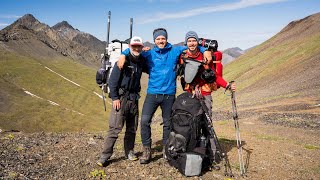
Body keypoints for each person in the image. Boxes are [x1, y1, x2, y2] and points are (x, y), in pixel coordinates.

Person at [118, 28, 212, 164]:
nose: (161, 41)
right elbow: (134, 51)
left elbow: (193, 46)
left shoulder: (175, 50)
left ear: (166, 39)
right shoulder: (148, 53)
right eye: (158, 39)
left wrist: (206, 51)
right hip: (152, 93)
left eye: (163, 38)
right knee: (144, 121)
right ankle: (147, 150)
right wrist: (123, 54)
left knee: (168, 123)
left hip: (169, 95)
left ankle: (166, 150)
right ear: (154, 40)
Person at [97, 36, 146, 167]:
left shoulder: (141, 60)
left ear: (141, 47)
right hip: (121, 98)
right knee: (114, 129)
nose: (136, 48)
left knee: (132, 129)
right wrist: (114, 98)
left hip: (134, 99)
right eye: (134, 46)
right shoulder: (123, 60)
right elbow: (113, 81)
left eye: (139, 46)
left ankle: (129, 152)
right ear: (130, 47)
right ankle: (104, 156)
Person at [178, 31, 236, 117]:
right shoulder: (182, 56)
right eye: (189, 41)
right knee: (190, 120)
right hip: (189, 92)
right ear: (186, 43)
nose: (192, 43)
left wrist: (227, 85)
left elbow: (214, 75)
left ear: (197, 42)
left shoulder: (206, 56)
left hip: (205, 92)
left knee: (207, 119)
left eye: (194, 40)